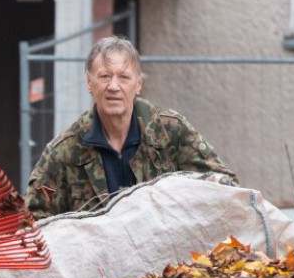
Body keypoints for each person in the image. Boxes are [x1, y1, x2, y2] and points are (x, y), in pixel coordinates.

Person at [25, 35, 237, 219]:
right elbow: (32, 221)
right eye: (105, 76)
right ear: (89, 83)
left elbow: (227, 188)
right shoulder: (65, 151)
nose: (113, 86)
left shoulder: (172, 132)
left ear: (138, 85)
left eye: (124, 77)